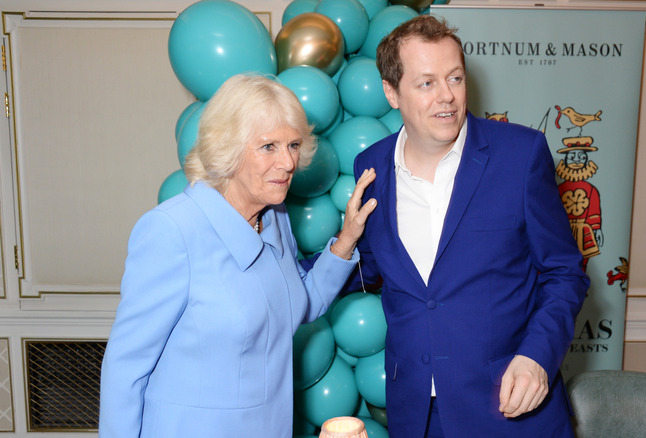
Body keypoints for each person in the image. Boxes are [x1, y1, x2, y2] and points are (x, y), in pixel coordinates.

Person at [350, 15, 590, 437]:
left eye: (455, 78)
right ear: (392, 93)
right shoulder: (370, 167)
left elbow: (564, 272)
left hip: (510, 410)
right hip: (416, 418)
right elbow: (370, 270)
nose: (447, 97)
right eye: (426, 83)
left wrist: (537, 357)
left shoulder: (521, 153)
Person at [99, 74, 376, 438]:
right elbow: (125, 369)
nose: (288, 162)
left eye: (293, 145)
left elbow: (297, 305)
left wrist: (346, 239)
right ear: (226, 147)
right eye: (268, 147)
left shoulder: (273, 217)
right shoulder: (172, 230)